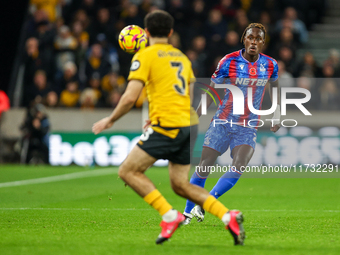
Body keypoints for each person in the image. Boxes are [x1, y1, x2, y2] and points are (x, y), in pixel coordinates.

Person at [92, 10, 245, 245]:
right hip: (188, 124)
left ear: (145, 33)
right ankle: (228, 216)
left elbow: (130, 97)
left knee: (127, 171)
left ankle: (169, 215)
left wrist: (110, 120)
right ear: (171, 32)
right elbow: (189, 92)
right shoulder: (182, 57)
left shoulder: (145, 55)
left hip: (168, 125)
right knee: (180, 185)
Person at [183, 23, 281, 224]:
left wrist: (277, 113)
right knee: (205, 166)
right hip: (222, 122)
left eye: (258, 39)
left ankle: (207, 202)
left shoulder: (270, 65)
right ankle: (186, 213)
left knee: (239, 165)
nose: (254, 42)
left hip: (247, 125)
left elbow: (275, 88)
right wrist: (196, 114)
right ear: (244, 39)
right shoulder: (228, 61)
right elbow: (212, 90)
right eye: (250, 38)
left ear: (263, 42)